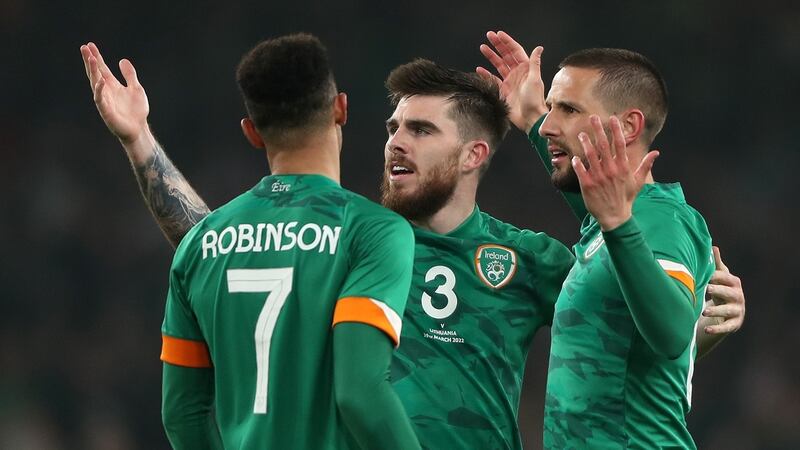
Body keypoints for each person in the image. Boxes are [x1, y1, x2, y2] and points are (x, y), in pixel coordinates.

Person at [82, 41, 745, 449]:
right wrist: (140, 142)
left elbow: (620, 334)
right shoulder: (358, 241)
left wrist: (697, 327)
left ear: (472, 156)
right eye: (394, 126)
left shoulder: (534, 262)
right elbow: (220, 249)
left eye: (422, 129)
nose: (396, 141)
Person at [80, 34, 421, 450]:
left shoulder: (201, 246)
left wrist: (138, 139)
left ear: (252, 132)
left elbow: (182, 415)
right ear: (340, 108)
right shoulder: (373, 232)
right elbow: (360, 394)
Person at [479, 31, 745, 448]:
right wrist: (531, 117)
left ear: (628, 125)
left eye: (567, 108)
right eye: (551, 108)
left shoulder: (661, 220)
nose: (550, 124)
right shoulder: (612, 224)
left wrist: (618, 223)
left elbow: (673, 335)